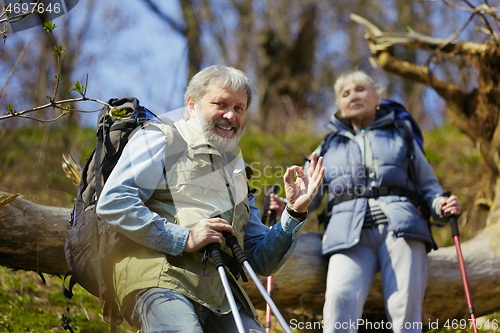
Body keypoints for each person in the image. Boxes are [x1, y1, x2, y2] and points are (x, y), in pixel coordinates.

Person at [96, 65, 325, 333]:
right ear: (192, 104)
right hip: (158, 278)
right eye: (221, 104)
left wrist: (294, 213)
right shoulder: (162, 137)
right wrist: (184, 238)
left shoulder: (236, 170)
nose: (231, 115)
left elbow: (261, 259)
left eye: (239, 108)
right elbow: (113, 201)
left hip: (219, 294)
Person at [302, 70, 462, 333]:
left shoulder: (402, 134)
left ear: (377, 97)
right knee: (338, 303)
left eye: (360, 89)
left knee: (406, 309)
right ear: (338, 106)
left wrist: (441, 207)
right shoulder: (327, 146)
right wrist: (289, 201)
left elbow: (428, 185)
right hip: (347, 234)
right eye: (345, 93)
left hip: (402, 229)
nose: (353, 95)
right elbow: (308, 196)